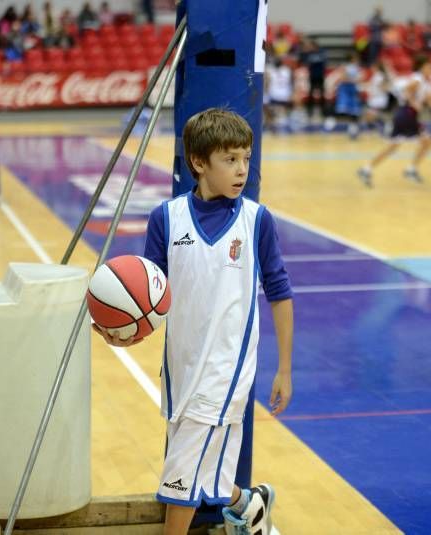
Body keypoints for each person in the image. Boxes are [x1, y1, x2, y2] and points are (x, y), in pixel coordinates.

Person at [94, 109, 294, 535]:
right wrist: (124, 332)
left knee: (179, 475)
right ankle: (249, 503)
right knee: (208, 473)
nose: (242, 169)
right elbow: (150, 297)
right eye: (230, 159)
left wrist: (285, 369)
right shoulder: (166, 218)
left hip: (227, 369)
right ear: (199, 163)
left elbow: (280, 292)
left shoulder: (256, 220)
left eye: (246, 158)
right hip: (181, 365)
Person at [357, 56, 431, 188]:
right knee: (426, 142)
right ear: (422, 67)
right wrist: (414, 103)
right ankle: (410, 170)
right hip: (407, 115)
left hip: (406, 115)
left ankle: (367, 169)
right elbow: (406, 91)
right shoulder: (417, 79)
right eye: (429, 67)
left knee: (395, 146)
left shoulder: (422, 82)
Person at [333, 52, 363, 139]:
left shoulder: (357, 68)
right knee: (343, 110)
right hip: (346, 91)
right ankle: (331, 122)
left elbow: (359, 79)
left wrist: (355, 80)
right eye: (356, 58)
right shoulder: (345, 67)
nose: (358, 60)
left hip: (353, 91)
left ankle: (353, 129)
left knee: (355, 112)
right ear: (352, 59)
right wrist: (353, 80)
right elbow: (343, 79)